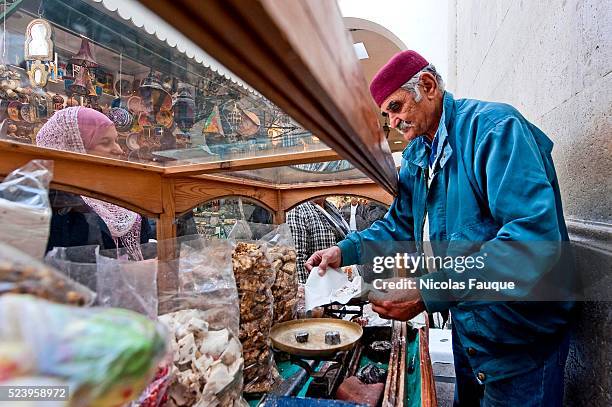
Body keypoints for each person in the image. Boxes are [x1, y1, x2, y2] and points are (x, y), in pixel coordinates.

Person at [306, 50, 574, 406]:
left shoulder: (494, 130)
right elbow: (399, 225)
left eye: (397, 107)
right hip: (471, 328)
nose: (395, 121)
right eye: (387, 114)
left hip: (519, 339)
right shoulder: (419, 155)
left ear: (428, 86)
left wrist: (426, 291)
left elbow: (530, 243)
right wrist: (346, 250)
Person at [37, 107, 150, 260]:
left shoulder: (115, 192)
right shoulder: (55, 203)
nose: (118, 150)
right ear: (73, 148)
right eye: (105, 143)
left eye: (116, 141)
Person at [287, 198, 348, 283]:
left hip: (337, 280)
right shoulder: (298, 210)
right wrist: (305, 289)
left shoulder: (331, 207)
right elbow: (298, 257)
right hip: (319, 283)